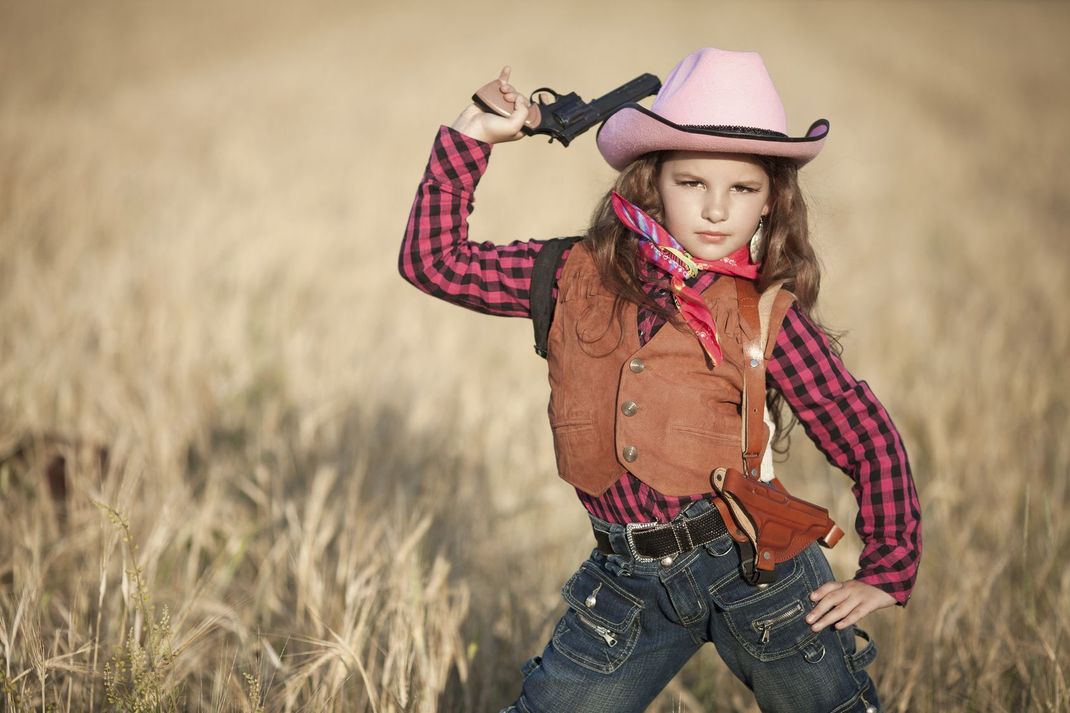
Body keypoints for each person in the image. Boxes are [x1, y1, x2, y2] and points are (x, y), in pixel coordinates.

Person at [400, 47, 920, 713]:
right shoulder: (568, 274)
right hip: (624, 587)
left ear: (770, 203)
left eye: (742, 189)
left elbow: (863, 429)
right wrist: (472, 134)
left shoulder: (766, 314)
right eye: (691, 183)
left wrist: (888, 567)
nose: (714, 209)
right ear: (652, 181)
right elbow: (433, 260)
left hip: (760, 575)